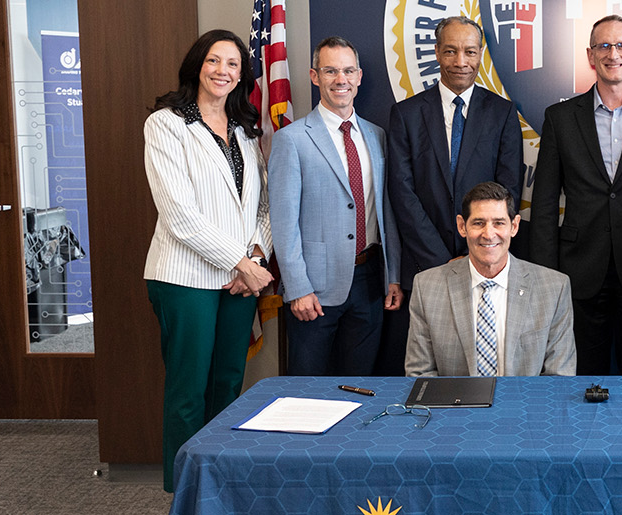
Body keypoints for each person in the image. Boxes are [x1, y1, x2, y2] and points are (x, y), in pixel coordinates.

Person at [141, 30, 273, 492]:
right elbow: (179, 214)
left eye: (233, 64)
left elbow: (260, 206)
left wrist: (255, 255)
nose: (223, 71)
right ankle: (184, 491)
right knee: (188, 392)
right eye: (214, 61)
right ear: (198, 65)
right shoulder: (166, 124)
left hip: (239, 280)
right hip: (185, 278)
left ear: (243, 74)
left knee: (228, 385)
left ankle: (219, 485)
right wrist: (241, 262)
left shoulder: (245, 129)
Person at [527, 14, 622, 375]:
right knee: (581, 372)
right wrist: (545, 274)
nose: (614, 53)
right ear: (590, 56)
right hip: (579, 268)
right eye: (604, 45)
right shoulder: (561, 117)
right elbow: (546, 201)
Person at [381, 16, 525, 376]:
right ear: (437, 54)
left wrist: (472, 253)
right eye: (451, 50)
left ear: (480, 55)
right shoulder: (406, 113)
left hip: (485, 262)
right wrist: (442, 259)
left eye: (470, 51)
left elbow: (507, 190)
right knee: (431, 367)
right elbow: (402, 192)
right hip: (426, 267)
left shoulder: (503, 112)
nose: (461, 60)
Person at [270, 36, 403, 376]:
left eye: (347, 71)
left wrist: (392, 276)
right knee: (307, 391)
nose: (340, 80)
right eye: (330, 71)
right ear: (315, 76)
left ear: (359, 76)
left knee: (358, 385)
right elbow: (283, 222)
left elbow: (386, 211)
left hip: (370, 282)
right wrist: (298, 287)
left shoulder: (377, 136)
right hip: (314, 290)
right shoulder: (292, 139)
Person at [405, 182, 576, 377]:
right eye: (478, 223)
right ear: (462, 226)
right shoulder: (426, 287)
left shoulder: (554, 288)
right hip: (454, 407)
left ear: (514, 226)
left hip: (524, 406)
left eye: (499, 223)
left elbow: (559, 378)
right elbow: (420, 375)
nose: (488, 234)